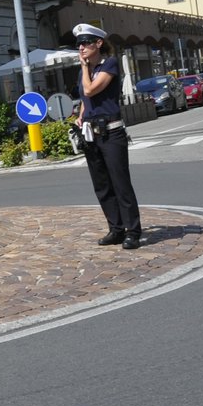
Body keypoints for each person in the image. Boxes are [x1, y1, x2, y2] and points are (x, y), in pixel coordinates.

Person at [71, 22, 143, 250]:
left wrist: (84, 69)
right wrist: (81, 116)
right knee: (101, 185)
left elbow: (91, 90)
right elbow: (86, 99)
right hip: (91, 134)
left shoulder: (108, 64)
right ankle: (116, 228)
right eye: (79, 44)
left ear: (98, 43)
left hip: (111, 132)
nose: (81, 48)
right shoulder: (88, 70)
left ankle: (133, 231)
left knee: (121, 183)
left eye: (85, 43)